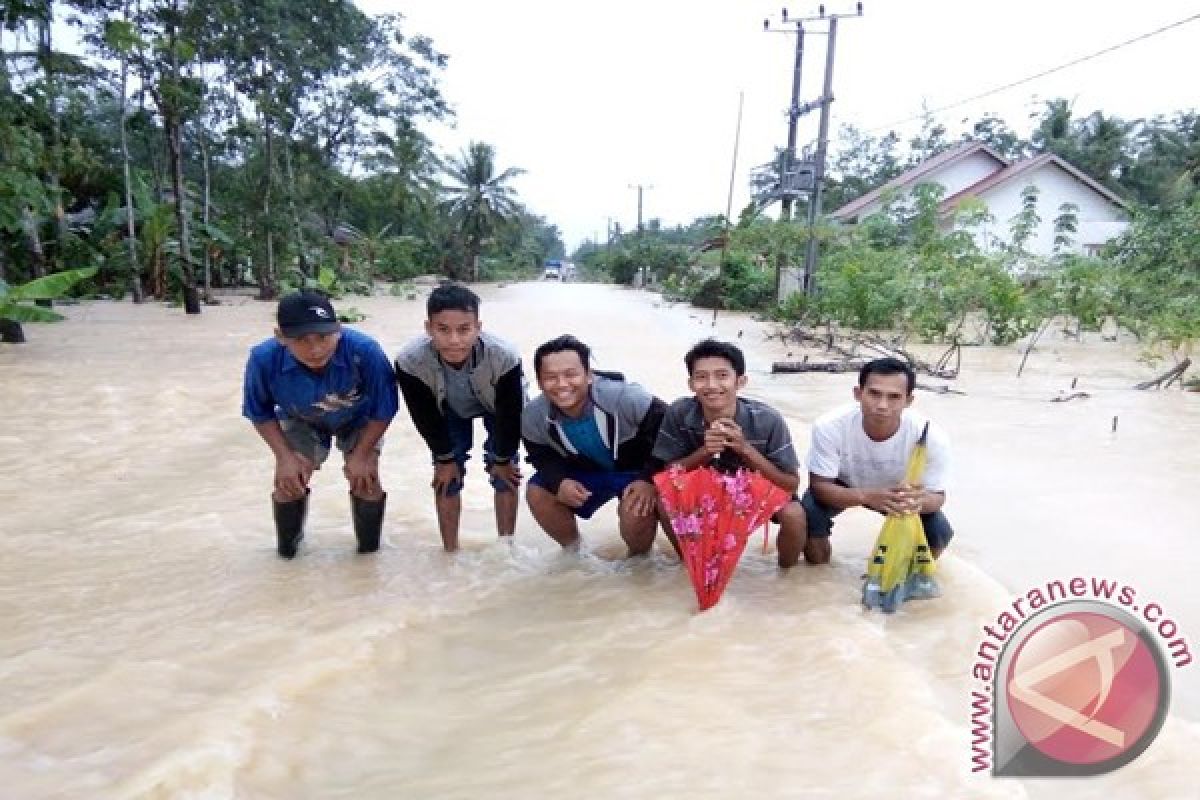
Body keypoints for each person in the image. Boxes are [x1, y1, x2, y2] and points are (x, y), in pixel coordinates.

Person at [242, 289, 398, 558]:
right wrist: (284, 457)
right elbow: (259, 411)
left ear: (338, 330)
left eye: (324, 338)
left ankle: (368, 556)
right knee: (289, 482)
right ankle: (288, 557)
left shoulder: (365, 350)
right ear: (281, 336)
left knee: (366, 479)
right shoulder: (263, 358)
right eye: (301, 340)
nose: (315, 349)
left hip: (358, 418)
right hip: (301, 419)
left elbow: (386, 407)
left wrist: (361, 455)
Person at [651, 339, 807, 567]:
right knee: (665, 502)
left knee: (794, 515)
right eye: (701, 377)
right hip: (706, 490)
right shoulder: (680, 412)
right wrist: (705, 451)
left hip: (753, 490)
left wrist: (746, 450)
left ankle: (786, 575)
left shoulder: (767, 419)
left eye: (722, 375)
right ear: (691, 383)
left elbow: (790, 484)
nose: (712, 385)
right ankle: (692, 566)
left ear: (740, 381)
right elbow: (668, 474)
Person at [394, 284, 525, 551]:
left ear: (478, 327)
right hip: (446, 408)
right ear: (428, 328)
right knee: (446, 476)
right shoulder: (409, 361)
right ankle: (450, 552)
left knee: (506, 472)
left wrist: (501, 458)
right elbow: (424, 415)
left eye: (464, 329)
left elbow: (511, 414)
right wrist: (444, 458)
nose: (454, 340)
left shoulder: (504, 356)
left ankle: (506, 548)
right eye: (443, 330)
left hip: (496, 407)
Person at [522, 335, 666, 556]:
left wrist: (647, 479)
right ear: (540, 383)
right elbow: (540, 455)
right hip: (589, 471)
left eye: (571, 374)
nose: (562, 385)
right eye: (550, 377)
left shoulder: (627, 398)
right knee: (538, 491)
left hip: (635, 471)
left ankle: (639, 562)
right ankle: (574, 554)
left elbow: (669, 433)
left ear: (589, 375)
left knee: (636, 510)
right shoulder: (533, 415)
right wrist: (559, 482)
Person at [802, 356, 954, 563]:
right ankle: (818, 575)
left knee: (939, 531)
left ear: (908, 401)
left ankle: (908, 576)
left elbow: (937, 496)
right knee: (809, 513)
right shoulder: (830, 426)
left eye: (894, 397)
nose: (882, 405)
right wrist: (866, 496)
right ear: (858, 393)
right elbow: (820, 486)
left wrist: (917, 502)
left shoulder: (931, 437)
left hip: (899, 493)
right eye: (874, 394)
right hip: (845, 485)